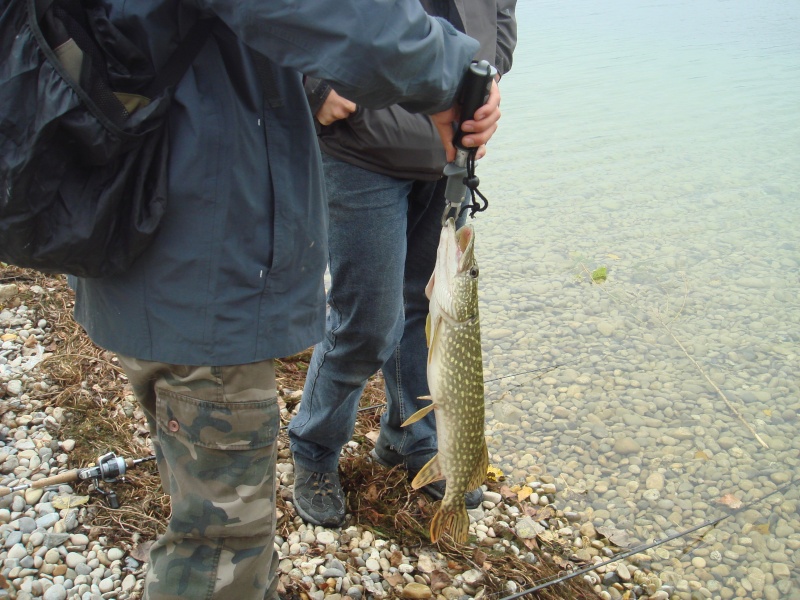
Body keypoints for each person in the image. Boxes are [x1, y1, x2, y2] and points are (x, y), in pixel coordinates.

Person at [69, 0, 488, 597]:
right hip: (202, 269)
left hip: (159, 248)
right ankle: (315, 450)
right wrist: (455, 74)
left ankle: (402, 441)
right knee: (219, 546)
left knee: (207, 512)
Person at [288, 0, 517, 528]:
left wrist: (489, 76)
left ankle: (407, 435)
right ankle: (315, 448)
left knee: (429, 309)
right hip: (361, 148)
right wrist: (311, 81)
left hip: (447, 153)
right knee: (365, 323)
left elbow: (499, 15)